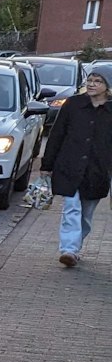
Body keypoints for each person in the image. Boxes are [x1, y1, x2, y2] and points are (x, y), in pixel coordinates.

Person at [45, 70, 112, 268]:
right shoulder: (73, 104)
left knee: (86, 215)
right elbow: (57, 134)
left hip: (97, 170)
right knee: (71, 208)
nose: (91, 84)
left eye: (97, 81)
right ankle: (69, 249)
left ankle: (74, 246)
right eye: (89, 80)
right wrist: (47, 165)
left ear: (107, 87)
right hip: (69, 165)